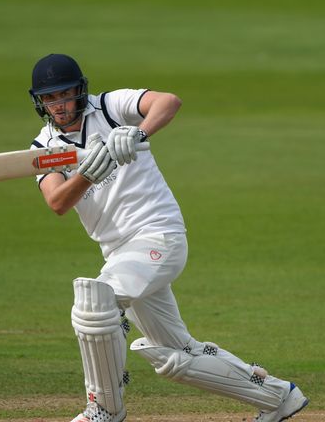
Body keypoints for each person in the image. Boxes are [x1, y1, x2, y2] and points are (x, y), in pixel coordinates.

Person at [27, 53, 309, 422]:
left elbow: (167, 102)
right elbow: (57, 202)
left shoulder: (110, 107)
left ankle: (104, 409)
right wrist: (88, 174)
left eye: (65, 94)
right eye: (50, 98)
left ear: (80, 90)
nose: (59, 104)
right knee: (177, 355)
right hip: (120, 254)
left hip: (159, 235)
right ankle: (278, 397)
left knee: (95, 302)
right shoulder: (44, 147)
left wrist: (137, 132)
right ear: (40, 101)